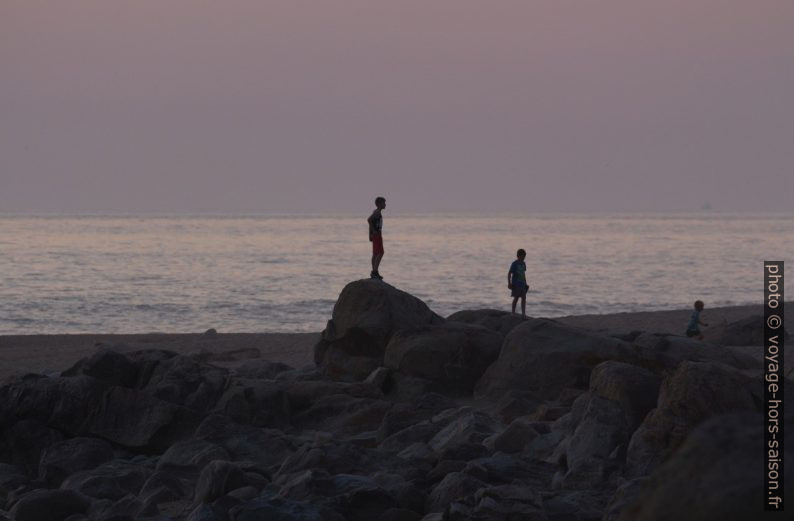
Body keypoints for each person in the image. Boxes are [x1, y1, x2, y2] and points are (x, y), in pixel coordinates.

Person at [367, 196, 386, 279]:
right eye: (383, 203)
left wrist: (370, 234)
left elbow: (371, 221)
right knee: (380, 252)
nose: (385, 205)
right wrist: (374, 231)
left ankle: (374, 271)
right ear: (379, 204)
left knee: (375, 253)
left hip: (376, 234)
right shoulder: (377, 212)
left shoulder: (377, 212)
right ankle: (374, 271)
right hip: (377, 234)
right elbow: (369, 220)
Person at [508, 249, 529, 317]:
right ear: (518, 256)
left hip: (522, 284)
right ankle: (513, 312)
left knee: (524, 298)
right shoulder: (514, 264)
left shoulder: (523, 264)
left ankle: (523, 313)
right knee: (516, 298)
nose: (524, 258)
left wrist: (526, 283)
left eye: (524, 256)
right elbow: (509, 273)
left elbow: (523, 274)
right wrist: (509, 283)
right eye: (523, 256)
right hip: (516, 284)